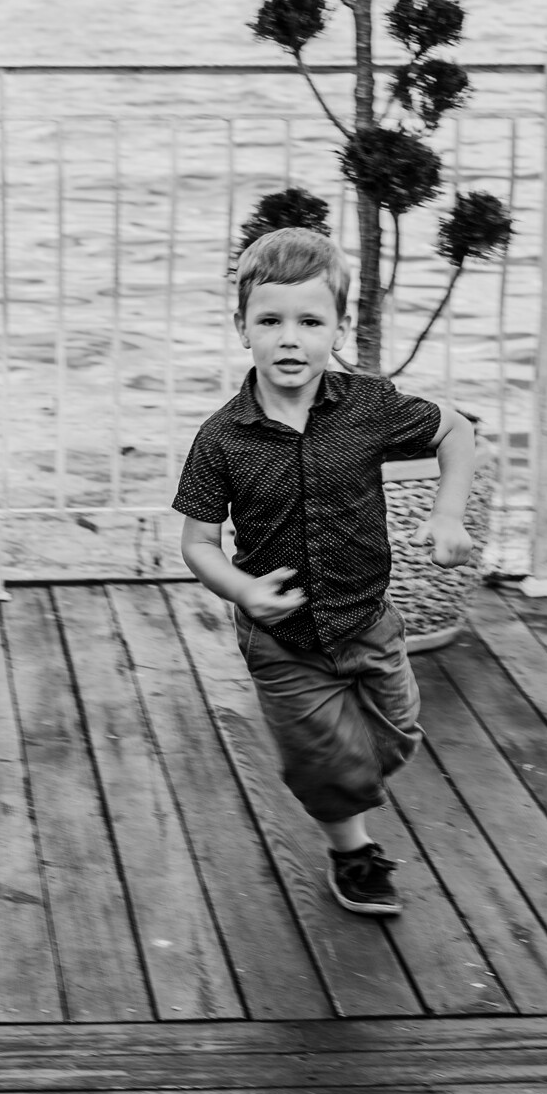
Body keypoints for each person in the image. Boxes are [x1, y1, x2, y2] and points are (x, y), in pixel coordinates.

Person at [174, 228, 476, 917]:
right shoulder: (221, 438)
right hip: (281, 638)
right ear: (242, 328)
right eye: (270, 321)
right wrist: (243, 589)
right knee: (325, 760)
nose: (290, 339)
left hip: (369, 620)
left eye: (310, 322)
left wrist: (448, 514)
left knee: (394, 737)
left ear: (338, 329)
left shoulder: (368, 407)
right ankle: (352, 851)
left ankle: (340, 781)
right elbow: (198, 544)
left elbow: (456, 430)